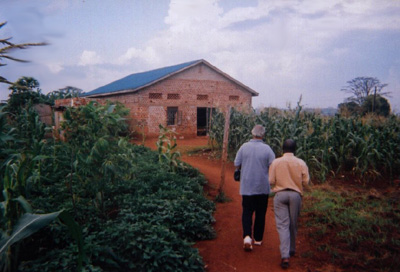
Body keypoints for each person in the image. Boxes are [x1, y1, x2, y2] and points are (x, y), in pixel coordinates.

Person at [269, 139, 310, 269]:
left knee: (282, 225)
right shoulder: (301, 162)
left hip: (280, 195)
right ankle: (292, 248)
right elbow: (306, 182)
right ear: (295, 149)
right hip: (296, 195)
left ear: (283, 149)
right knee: (293, 223)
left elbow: (271, 180)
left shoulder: (276, 162)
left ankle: (285, 256)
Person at [234, 124, 275, 251]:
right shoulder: (268, 149)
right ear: (263, 135)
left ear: (252, 133)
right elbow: (273, 165)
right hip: (262, 187)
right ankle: (257, 239)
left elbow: (236, 163)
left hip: (247, 186)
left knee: (247, 211)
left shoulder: (244, 147)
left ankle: (247, 236)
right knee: (260, 213)